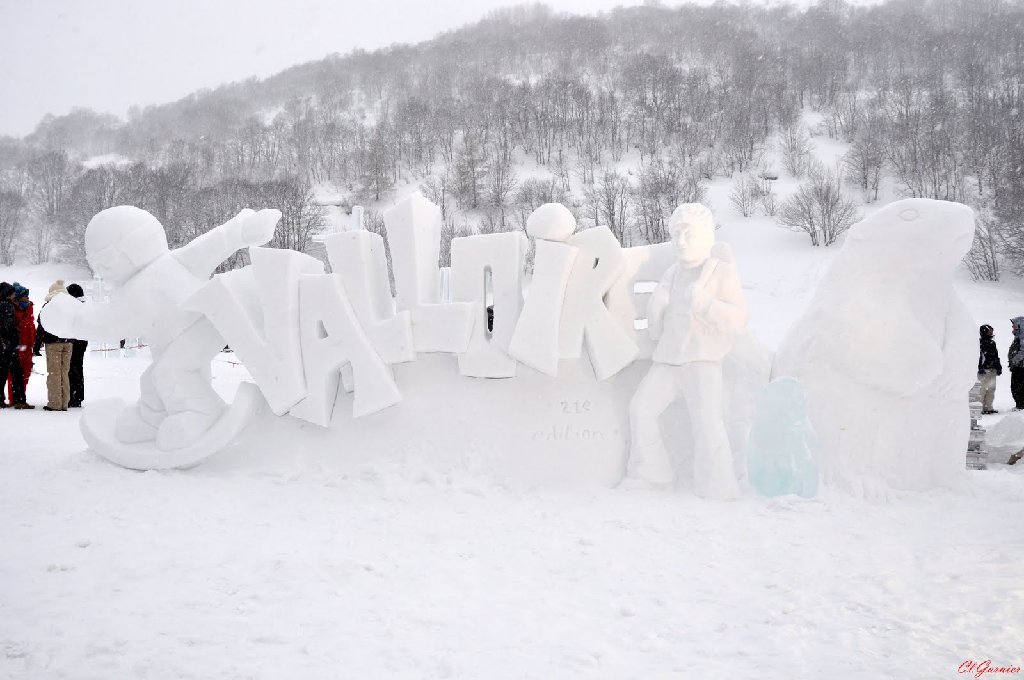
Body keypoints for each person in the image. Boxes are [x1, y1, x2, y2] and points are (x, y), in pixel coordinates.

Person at [624, 203, 748, 498]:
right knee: (641, 409)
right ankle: (652, 472)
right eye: (676, 233)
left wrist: (705, 304)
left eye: (688, 234)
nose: (680, 241)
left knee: (708, 422)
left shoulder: (720, 273)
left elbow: (738, 320)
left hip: (702, 361)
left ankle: (717, 483)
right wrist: (657, 309)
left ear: (705, 237)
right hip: (668, 360)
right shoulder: (673, 273)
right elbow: (659, 317)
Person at [36, 280, 74, 411]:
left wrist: (37, 345)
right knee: (64, 373)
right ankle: (65, 403)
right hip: (68, 343)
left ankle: (55, 403)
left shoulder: (49, 306)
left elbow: (41, 327)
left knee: (54, 374)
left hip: (53, 344)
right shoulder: (70, 306)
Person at [0, 282, 33, 409]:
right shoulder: (7, 306)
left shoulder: (3, 304)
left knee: (3, 372)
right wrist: (15, 334)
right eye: (12, 292)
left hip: (3, 344)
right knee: (16, 373)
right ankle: (19, 400)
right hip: (10, 345)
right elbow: (8, 326)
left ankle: (3, 399)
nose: (14, 294)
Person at [66, 283, 88, 407]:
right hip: (83, 340)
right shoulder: (85, 306)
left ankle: (73, 396)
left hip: (73, 340)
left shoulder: (74, 306)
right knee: (78, 367)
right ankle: (78, 396)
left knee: (71, 368)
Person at [978, 324, 1002, 414]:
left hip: (992, 370)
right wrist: (980, 367)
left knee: (991, 389)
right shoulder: (980, 343)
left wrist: (998, 367)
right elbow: (978, 357)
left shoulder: (992, 343)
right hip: (984, 371)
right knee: (982, 389)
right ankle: (979, 408)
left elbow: (996, 356)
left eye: (991, 330)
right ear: (984, 332)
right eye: (989, 331)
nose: (991, 332)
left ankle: (988, 407)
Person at [1010, 317, 1024, 411]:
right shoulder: (1019, 336)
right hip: (1018, 366)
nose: (1012, 327)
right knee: (1016, 386)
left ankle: (1021, 405)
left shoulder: (1022, 336)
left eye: (1014, 325)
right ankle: (1020, 404)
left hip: (1021, 367)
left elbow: (1023, 351)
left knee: (1018, 386)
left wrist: (1015, 360)